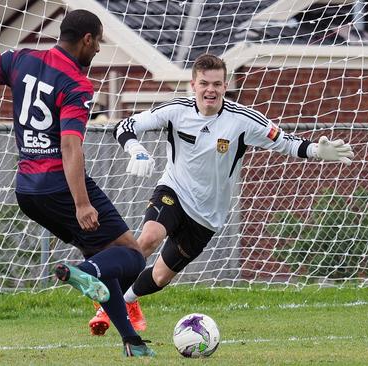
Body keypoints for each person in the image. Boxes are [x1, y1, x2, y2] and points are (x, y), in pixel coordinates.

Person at [0, 9, 154, 357]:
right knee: (132, 255)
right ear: (87, 39)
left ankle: (132, 341)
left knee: (104, 256)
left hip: (27, 191)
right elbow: (70, 145)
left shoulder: (19, 59)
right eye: (98, 43)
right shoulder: (76, 84)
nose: (98, 50)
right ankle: (83, 271)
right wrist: (82, 203)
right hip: (60, 185)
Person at [87, 53, 354, 335]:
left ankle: (128, 301)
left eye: (216, 84)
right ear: (193, 85)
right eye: (204, 83)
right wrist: (136, 149)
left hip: (207, 215)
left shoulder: (243, 120)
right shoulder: (176, 110)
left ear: (225, 86)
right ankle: (106, 302)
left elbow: (285, 142)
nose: (210, 90)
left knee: (161, 276)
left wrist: (316, 151)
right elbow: (125, 126)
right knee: (150, 237)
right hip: (174, 192)